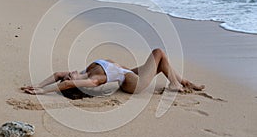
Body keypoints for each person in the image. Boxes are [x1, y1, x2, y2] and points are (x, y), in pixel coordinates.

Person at [21, 48, 205, 95]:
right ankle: (175, 84)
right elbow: (67, 83)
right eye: (70, 75)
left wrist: (38, 84)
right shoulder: (94, 79)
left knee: (161, 61)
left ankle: (184, 82)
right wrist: (43, 92)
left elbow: (58, 75)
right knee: (158, 53)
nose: (68, 73)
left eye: (67, 74)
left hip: (127, 71)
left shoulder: (86, 70)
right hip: (133, 83)